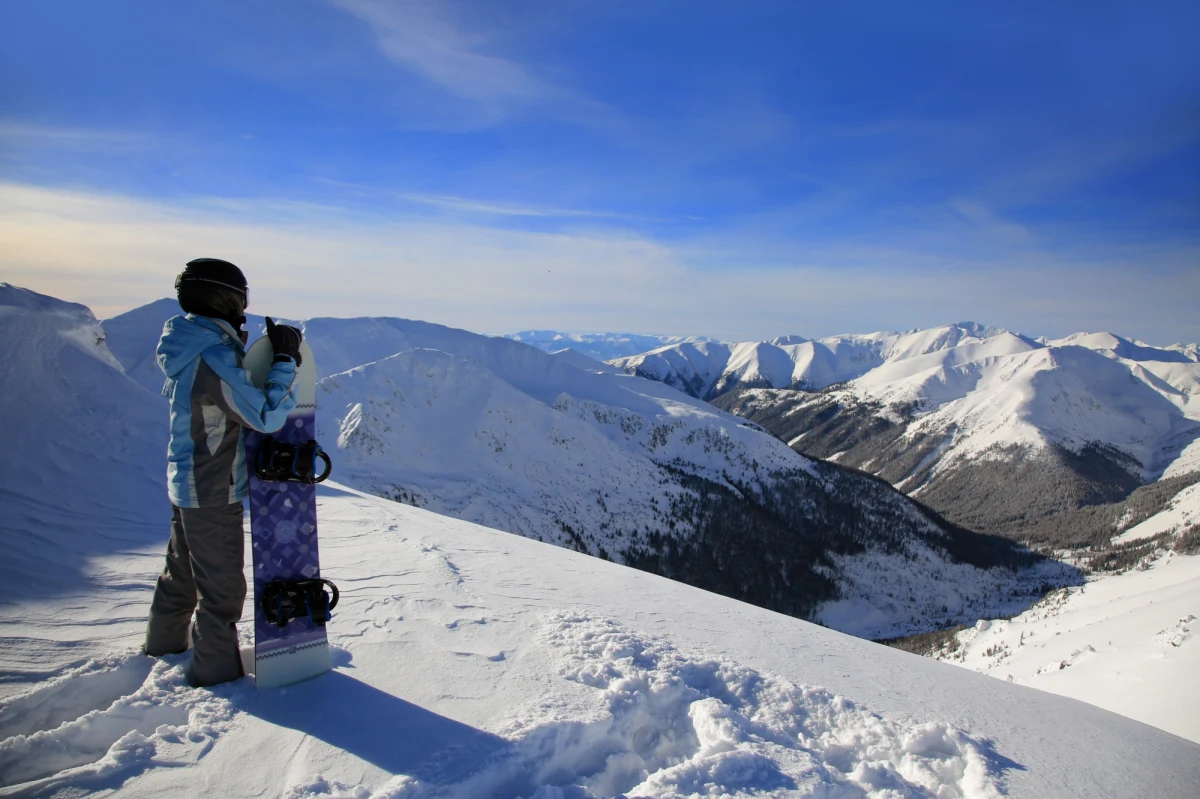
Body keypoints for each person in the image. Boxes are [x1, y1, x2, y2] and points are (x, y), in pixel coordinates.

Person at [143, 258, 305, 686]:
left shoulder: (188, 345)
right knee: (221, 593)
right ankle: (216, 678)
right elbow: (265, 416)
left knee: (180, 577)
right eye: (240, 299)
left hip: (188, 482)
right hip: (214, 489)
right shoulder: (213, 358)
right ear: (225, 299)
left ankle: (162, 650)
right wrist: (285, 359)